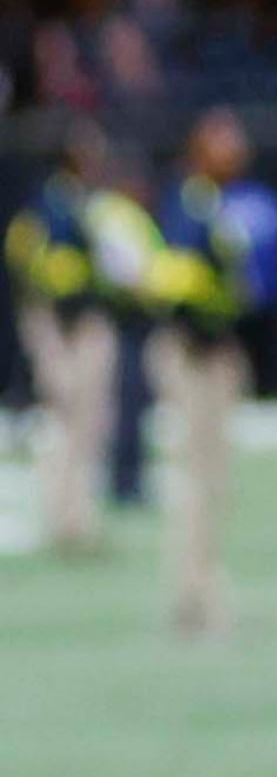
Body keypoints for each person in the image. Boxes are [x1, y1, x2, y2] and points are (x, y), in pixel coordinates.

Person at [145, 109, 277, 636]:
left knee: (213, 481)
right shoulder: (192, 203)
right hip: (193, 353)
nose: (236, 147)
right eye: (224, 139)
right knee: (198, 479)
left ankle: (200, 587)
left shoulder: (217, 204)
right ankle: (194, 595)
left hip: (213, 350)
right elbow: (178, 280)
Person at [7, 122, 153, 557]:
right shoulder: (49, 208)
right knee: (64, 417)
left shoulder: (93, 205)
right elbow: (31, 267)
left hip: (86, 322)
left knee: (90, 422)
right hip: (57, 324)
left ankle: (77, 516)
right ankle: (61, 514)